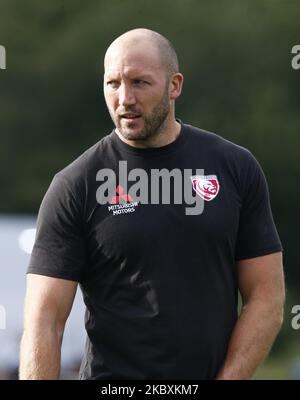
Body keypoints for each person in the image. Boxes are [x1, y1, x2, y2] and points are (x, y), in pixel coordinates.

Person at [19, 28, 285, 380]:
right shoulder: (75, 184)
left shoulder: (235, 169)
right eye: (113, 83)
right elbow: (45, 319)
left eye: (139, 82)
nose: (124, 98)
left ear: (174, 86)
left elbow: (266, 298)